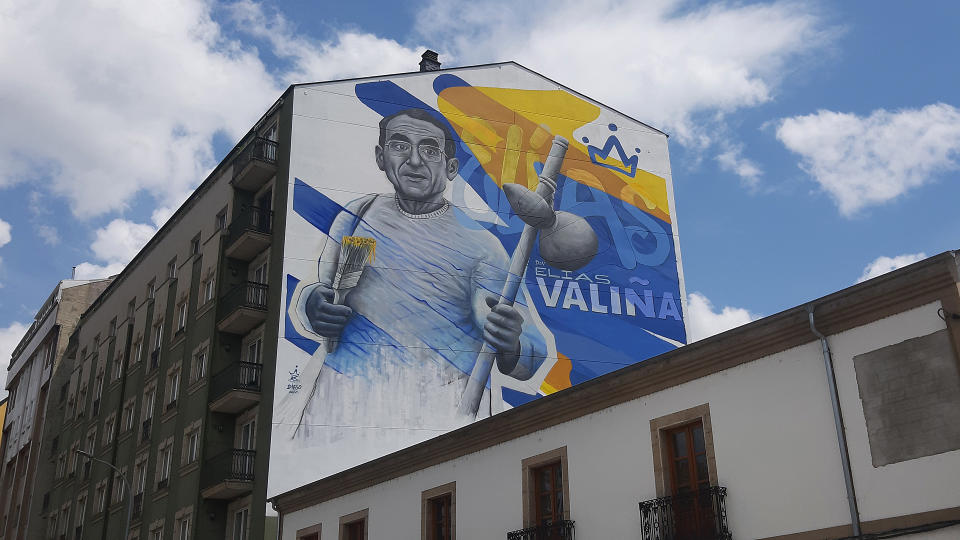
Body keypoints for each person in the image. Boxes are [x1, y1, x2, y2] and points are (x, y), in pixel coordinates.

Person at [289, 108, 548, 453]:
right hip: (340, 404)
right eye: (400, 146)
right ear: (381, 157)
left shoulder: (480, 244)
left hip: (439, 408)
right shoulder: (358, 214)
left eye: (429, 150)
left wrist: (511, 340)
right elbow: (319, 288)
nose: (414, 161)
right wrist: (314, 305)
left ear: (450, 168)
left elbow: (528, 346)